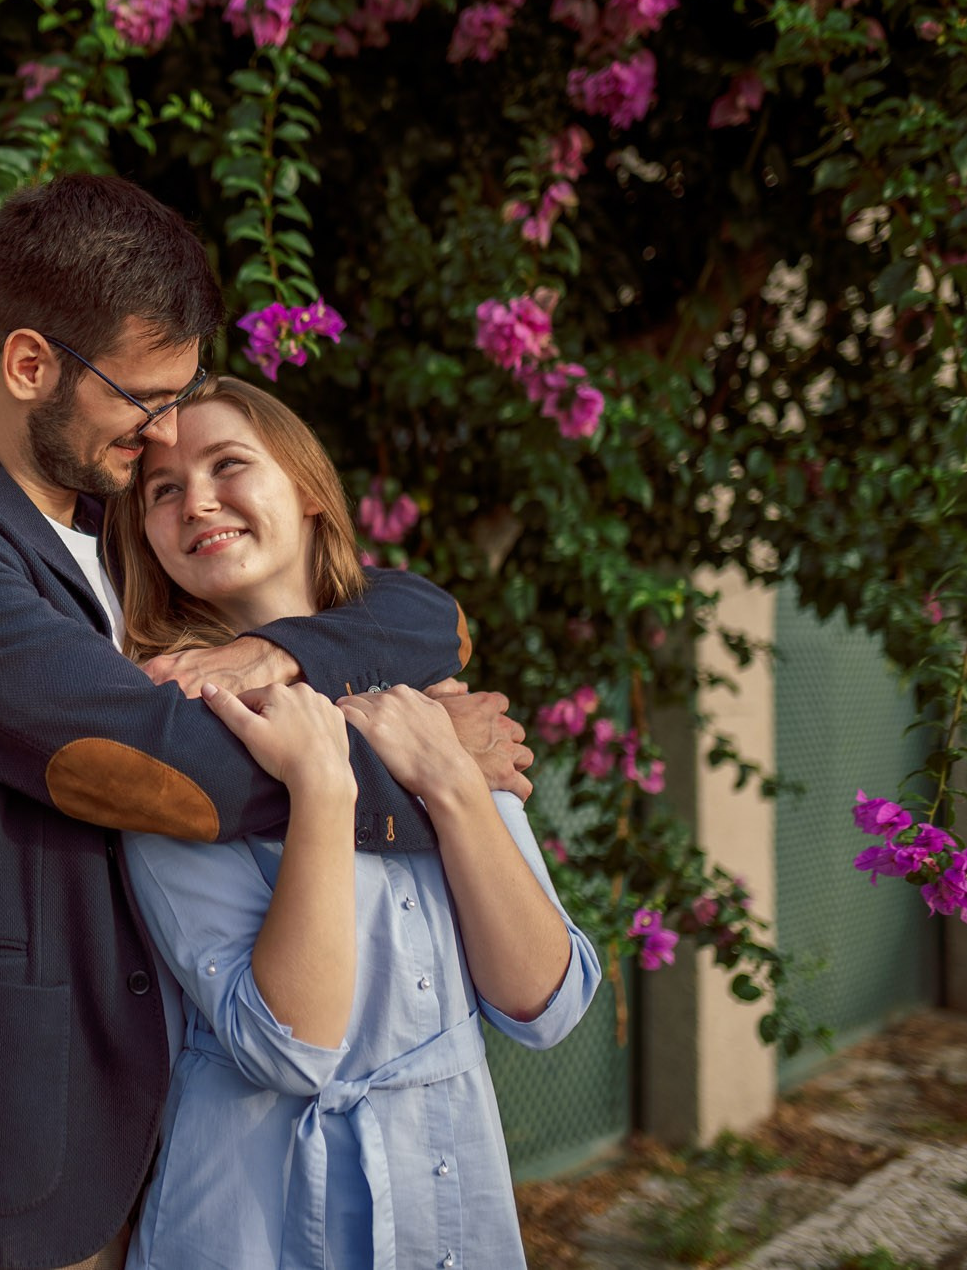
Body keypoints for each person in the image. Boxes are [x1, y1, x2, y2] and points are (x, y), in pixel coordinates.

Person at [0, 173, 533, 1270]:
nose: (164, 430)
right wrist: (428, 763)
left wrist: (284, 648)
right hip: (13, 1167)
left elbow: (415, 610)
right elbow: (159, 772)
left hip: (168, 1148)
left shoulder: (126, 535)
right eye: (142, 395)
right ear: (28, 365)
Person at [108, 377, 601, 1269]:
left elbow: (546, 1002)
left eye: (227, 464)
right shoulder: (166, 728)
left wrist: (450, 781)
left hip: (447, 1186)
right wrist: (326, 790)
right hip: (252, 1212)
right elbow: (285, 1047)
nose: (198, 500)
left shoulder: (426, 699)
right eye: (163, 489)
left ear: (305, 487)